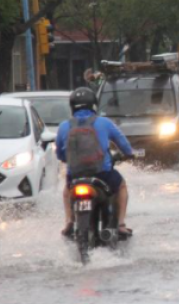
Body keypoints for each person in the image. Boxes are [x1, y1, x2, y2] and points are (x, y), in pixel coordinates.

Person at [57, 87, 134, 236]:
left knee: (67, 192)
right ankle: (120, 224)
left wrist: (68, 160)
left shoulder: (64, 126)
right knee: (121, 186)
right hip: (102, 174)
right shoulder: (104, 122)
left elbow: (60, 154)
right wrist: (129, 154)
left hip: (75, 176)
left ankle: (69, 222)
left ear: (72, 107)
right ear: (94, 105)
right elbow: (124, 145)